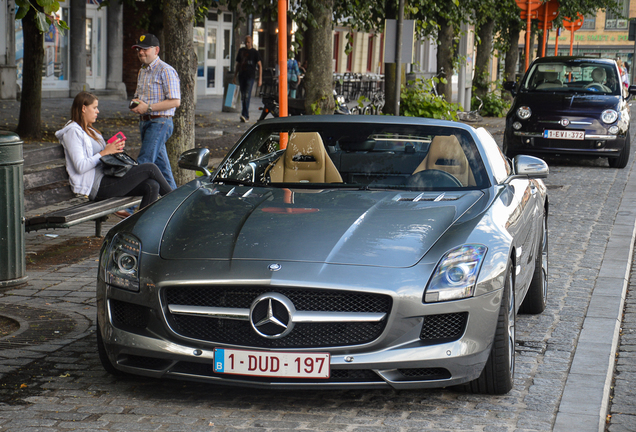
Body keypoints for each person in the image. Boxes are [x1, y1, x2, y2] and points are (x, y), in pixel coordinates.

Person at [56, 92, 172, 219]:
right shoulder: (72, 132)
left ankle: (138, 230)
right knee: (150, 168)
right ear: (84, 108)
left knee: (152, 186)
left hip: (108, 177)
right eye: (94, 108)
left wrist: (114, 150)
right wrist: (105, 152)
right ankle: (178, 202)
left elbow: (103, 157)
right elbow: (80, 166)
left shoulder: (91, 131)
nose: (98, 111)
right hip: (97, 186)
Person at [129, 34, 180, 190]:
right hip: (145, 122)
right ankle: (175, 202)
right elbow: (140, 97)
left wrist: (148, 107)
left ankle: (129, 207)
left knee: (143, 162)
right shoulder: (143, 71)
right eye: (138, 49)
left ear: (156, 50)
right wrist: (135, 104)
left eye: (145, 49)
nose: (141, 52)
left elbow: (175, 101)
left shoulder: (166, 70)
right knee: (163, 168)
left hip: (160, 121)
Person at [233, 36, 262, 122]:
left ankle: (245, 115)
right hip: (242, 76)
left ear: (251, 42)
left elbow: (260, 65)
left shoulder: (255, 53)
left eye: (248, 42)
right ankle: (244, 114)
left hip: (250, 76)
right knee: (243, 96)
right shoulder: (241, 51)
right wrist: (235, 76)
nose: (247, 44)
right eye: (246, 42)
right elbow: (238, 65)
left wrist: (260, 78)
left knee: (246, 95)